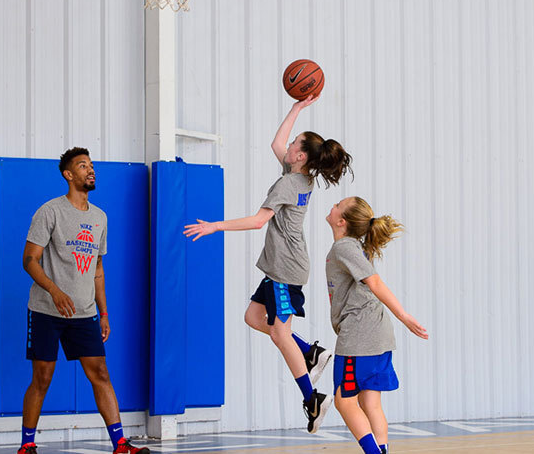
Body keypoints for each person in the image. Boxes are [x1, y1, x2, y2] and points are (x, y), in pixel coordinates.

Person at [184, 95, 352, 433]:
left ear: (300, 156)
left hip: (285, 268)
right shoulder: (299, 177)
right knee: (253, 318)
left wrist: (214, 226)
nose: (287, 145)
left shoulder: (288, 182)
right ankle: (311, 353)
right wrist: (297, 108)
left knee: (279, 333)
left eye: (294, 144)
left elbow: (260, 221)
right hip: (278, 266)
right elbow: (276, 142)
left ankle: (312, 398)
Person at [18, 147, 149, 454]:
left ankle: (120, 443)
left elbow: (97, 270)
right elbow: (29, 260)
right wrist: (55, 290)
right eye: (82, 166)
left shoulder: (100, 217)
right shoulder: (49, 211)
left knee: (101, 373)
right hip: (46, 311)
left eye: (91, 166)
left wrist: (103, 313)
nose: (90, 170)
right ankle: (27, 446)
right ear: (68, 174)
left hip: (85, 312)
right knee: (42, 378)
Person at [324, 196, 429, 454]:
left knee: (344, 402)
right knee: (370, 403)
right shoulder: (354, 246)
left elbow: (375, 282)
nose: (333, 204)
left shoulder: (344, 248)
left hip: (360, 336)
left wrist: (404, 316)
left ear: (341, 221)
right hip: (378, 334)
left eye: (338, 204)